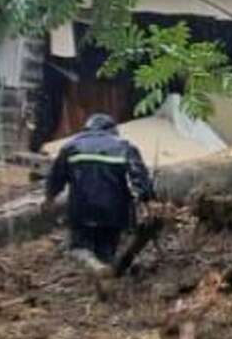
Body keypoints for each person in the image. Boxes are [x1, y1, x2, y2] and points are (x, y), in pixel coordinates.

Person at [44, 114, 155, 269]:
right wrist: (147, 202)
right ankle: (105, 274)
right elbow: (139, 177)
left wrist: (49, 197)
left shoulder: (70, 147)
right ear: (112, 130)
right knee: (107, 251)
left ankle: (95, 267)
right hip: (115, 212)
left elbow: (56, 177)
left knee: (78, 247)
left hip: (81, 211)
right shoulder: (124, 147)